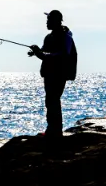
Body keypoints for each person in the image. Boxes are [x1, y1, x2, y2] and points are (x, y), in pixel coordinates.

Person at [28, 10, 77, 139]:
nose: (47, 22)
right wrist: (36, 51)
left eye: (49, 20)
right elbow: (45, 51)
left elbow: (64, 54)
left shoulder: (66, 36)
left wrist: (43, 55)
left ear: (57, 21)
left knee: (53, 100)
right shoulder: (48, 37)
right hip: (49, 73)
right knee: (50, 101)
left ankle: (55, 131)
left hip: (59, 74)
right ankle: (52, 129)